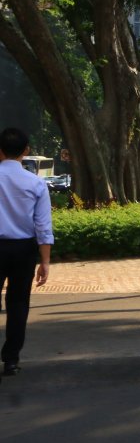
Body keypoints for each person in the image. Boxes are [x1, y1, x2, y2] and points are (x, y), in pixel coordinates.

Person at [0, 127, 53, 380]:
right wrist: (45, 261)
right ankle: (11, 360)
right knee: (18, 303)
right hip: (24, 249)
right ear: (26, 151)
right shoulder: (36, 183)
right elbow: (43, 225)